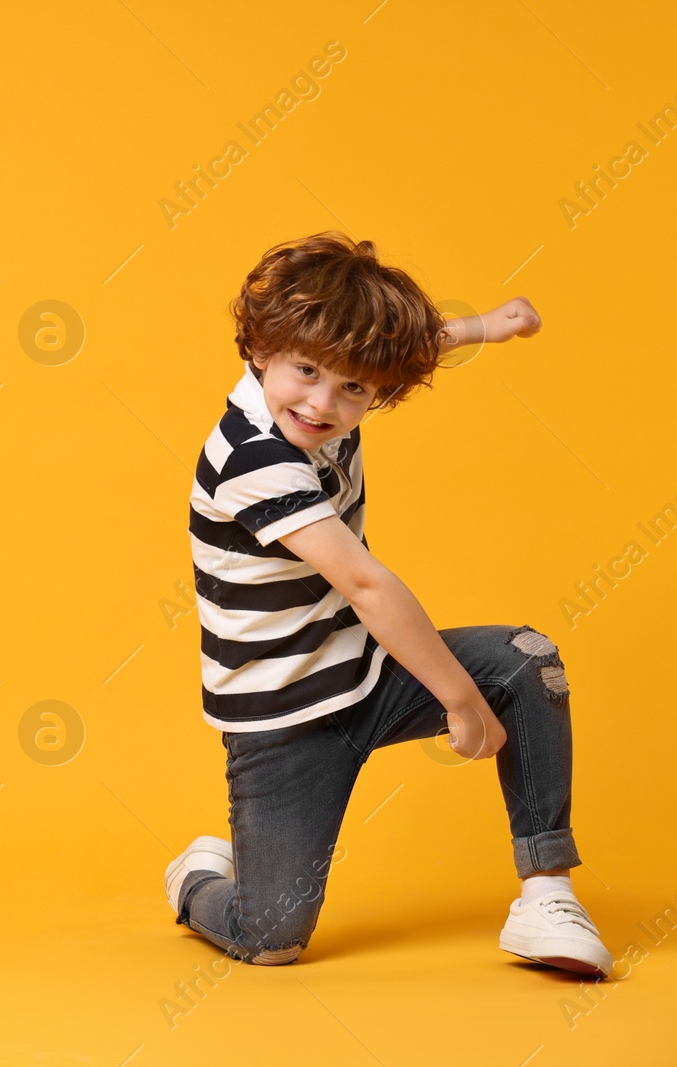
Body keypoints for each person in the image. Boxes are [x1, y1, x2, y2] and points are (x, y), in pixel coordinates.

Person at [166, 231, 612, 977]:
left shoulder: (341, 379)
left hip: (365, 673)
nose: (322, 403)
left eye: (354, 389)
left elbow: (408, 342)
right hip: (282, 716)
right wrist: (460, 700)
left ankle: (546, 892)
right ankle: (201, 879)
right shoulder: (254, 459)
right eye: (306, 372)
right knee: (271, 936)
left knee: (527, 660)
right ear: (260, 348)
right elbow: (368, 585)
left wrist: (489, 325)